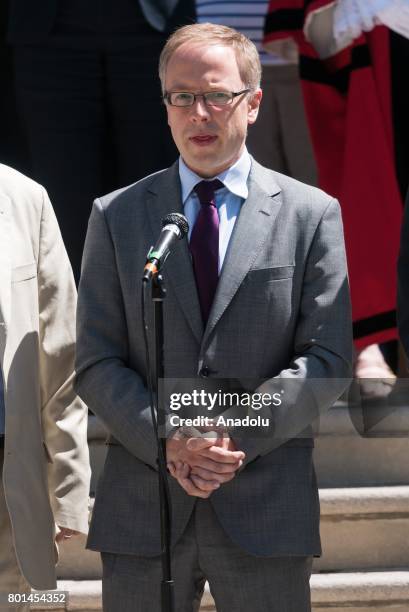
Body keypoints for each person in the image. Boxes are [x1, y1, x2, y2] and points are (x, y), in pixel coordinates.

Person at [75, 23, 352, 612]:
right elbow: (96, 360)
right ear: (166, 107)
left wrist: (231, 438)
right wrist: (169, 435)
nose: (198, 112)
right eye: (181, 97)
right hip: (146, 506)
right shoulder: (116, 215)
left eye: (216, 95)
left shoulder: (310, 214)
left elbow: (327, 360)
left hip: (265, 503)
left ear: (252, 102)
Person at [8, 0, 196, 282]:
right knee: (60, 192)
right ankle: (76, 316)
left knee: (153, 187)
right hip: (47, 33)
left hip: (153, 29)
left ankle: (152, 312)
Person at [0, 164, 90, 612]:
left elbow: (60, 351)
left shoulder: (23, 197)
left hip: (9, 477)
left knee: (20, 600)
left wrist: (68, 486)